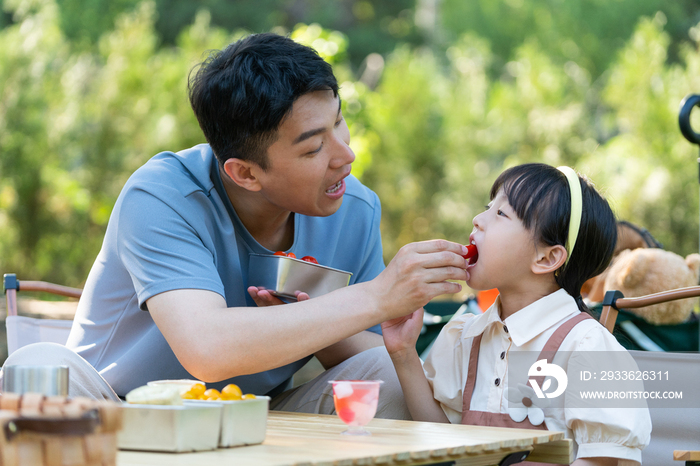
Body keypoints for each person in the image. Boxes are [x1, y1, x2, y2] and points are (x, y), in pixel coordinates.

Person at [1, 33, 469, 416]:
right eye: (313, 149)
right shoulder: (163, 195)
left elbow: (365, 348)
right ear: (244, 172)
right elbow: (206, 349)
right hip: (116, 414)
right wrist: (374, 296)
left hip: (254, 417)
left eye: (340, 124)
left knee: (387, 378)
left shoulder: (355, 208)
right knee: (34, 365)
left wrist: (313, 315)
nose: (346, 156)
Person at [381, 164, 652, 465]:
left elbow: (609, 461)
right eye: (488, 207)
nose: (477, 220)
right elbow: (445, 445)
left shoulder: (588, 348)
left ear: (547, 257)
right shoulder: (466, 337)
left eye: (501, 214)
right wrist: (403, 353)